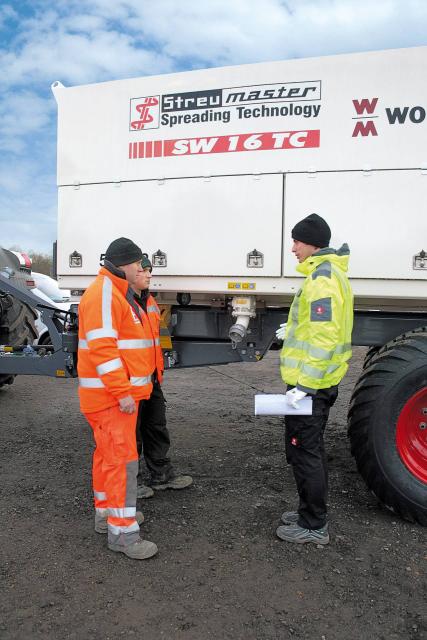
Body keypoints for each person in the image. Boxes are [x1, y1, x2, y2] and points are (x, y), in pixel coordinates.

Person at [77, 237, 158, 560]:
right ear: (124, 263)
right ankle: (122, 533)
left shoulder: (111, 291)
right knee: (122, 462)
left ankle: (106, 514)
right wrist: (122, 392)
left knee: (107, 457)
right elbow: (104, 349)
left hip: (107, 396)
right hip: (112, 398)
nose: (141, 269)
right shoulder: (106, 293)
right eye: (138, 263)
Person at [276, 214, 353, 545]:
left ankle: (313, 525)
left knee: (305, 451)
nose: (292, 248)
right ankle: (310, 510)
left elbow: (323, 337)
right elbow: (315, 328)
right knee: (309, 449)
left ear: (312, 243)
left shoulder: (321, 278)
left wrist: (304, 386)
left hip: (311, 386)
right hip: (317, 383)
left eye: (296, 241)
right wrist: (291, 330)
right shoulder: (326, 273)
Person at [131, 256, 193, 498]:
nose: (148, 275)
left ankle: (161, 475)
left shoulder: (150, 303)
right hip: (132, 380)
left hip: (150, 377)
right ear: (131, 272)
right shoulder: (123, 303)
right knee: (131, 433)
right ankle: (131, 483)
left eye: (150, 271)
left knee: (156, 426)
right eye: (144, 271)